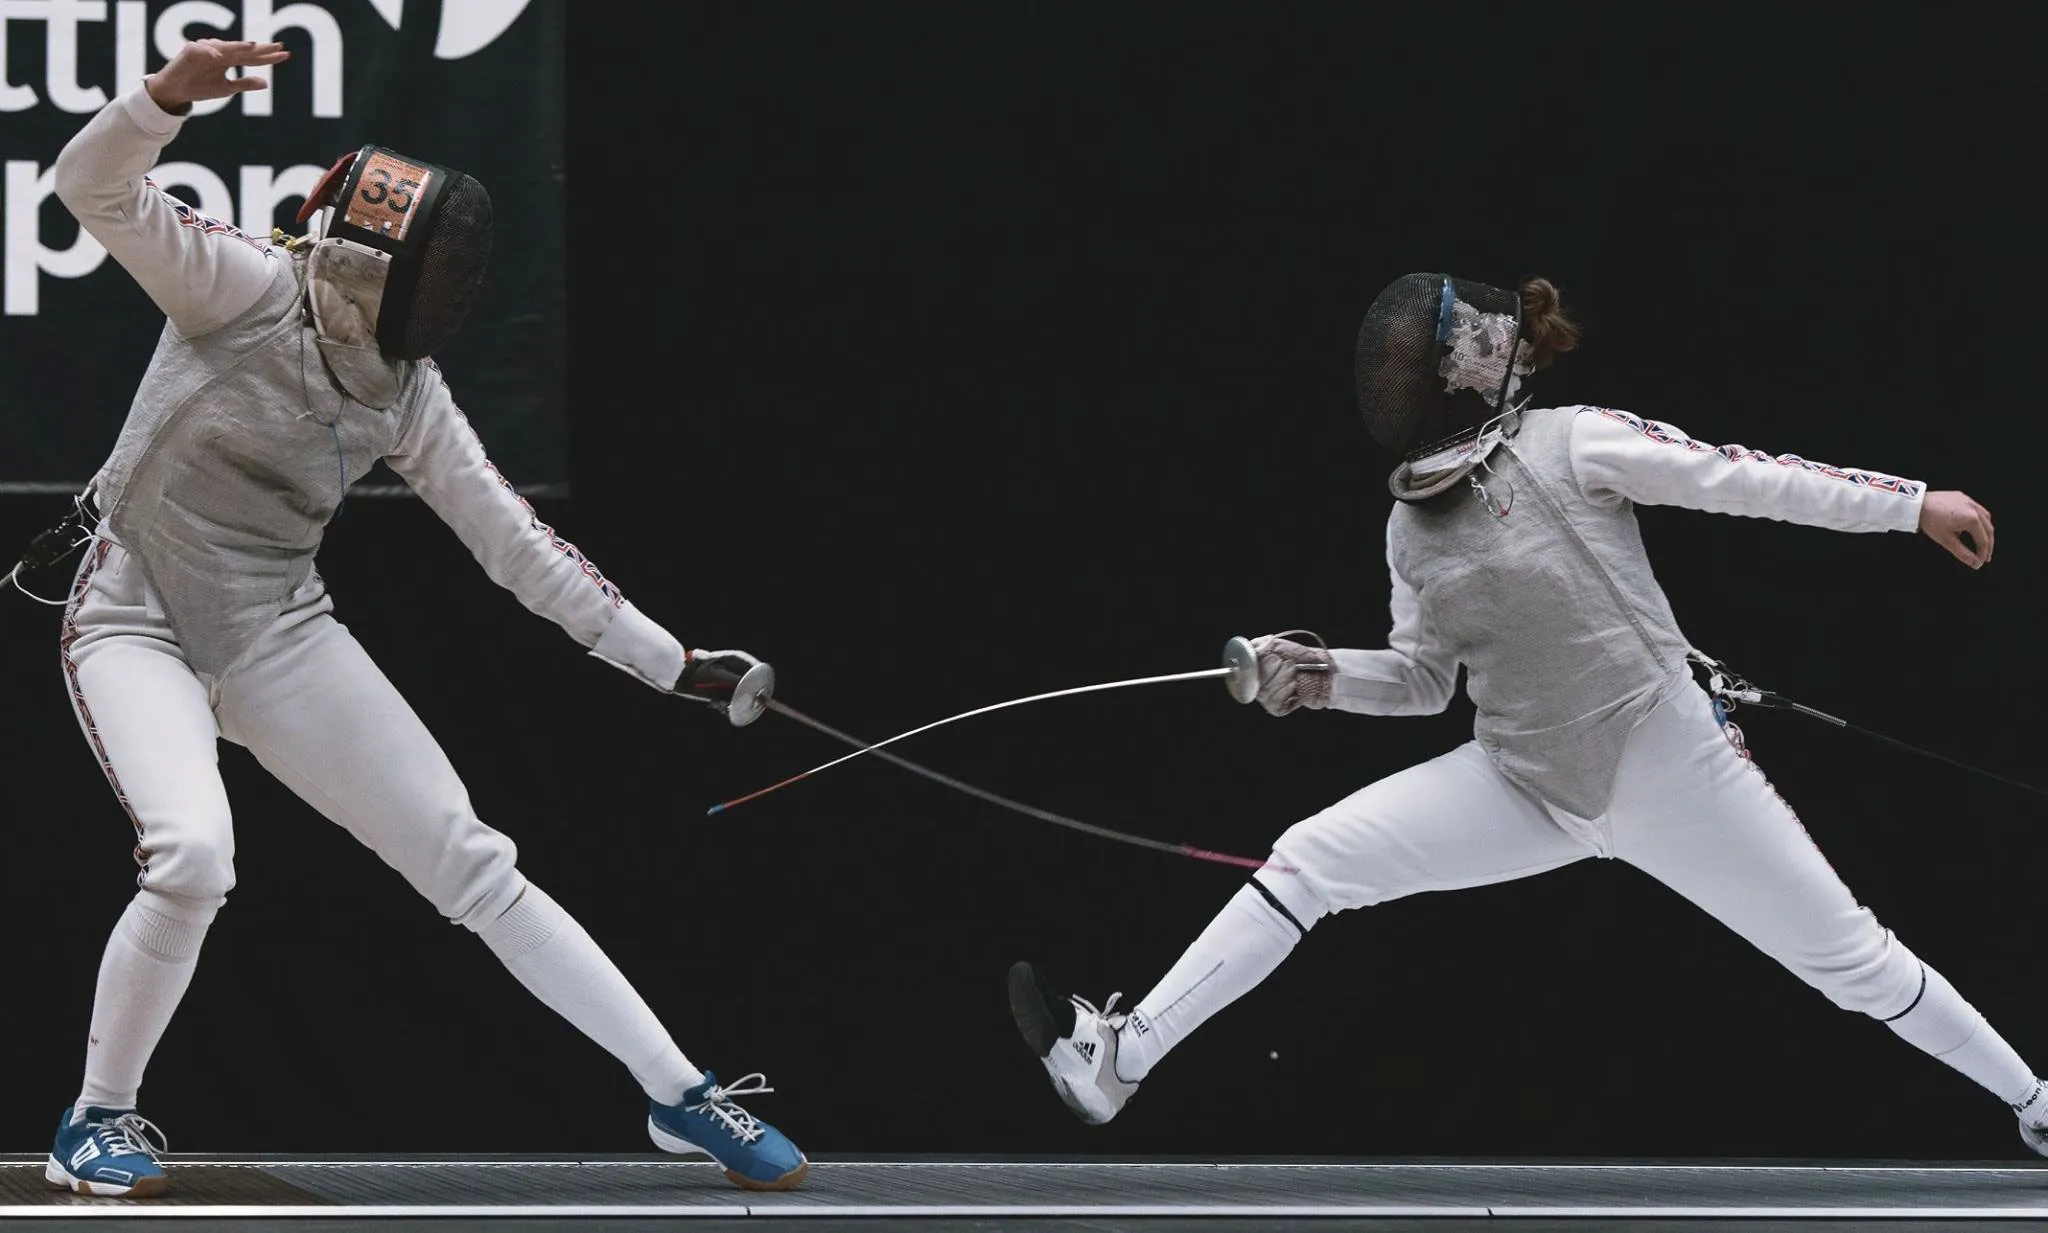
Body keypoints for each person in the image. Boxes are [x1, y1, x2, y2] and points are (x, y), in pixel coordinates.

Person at [1006, 270, 2046, 1156]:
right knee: (1311, 857)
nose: (1394, 385)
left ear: (1460, 372)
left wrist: (1909, 504)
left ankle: (2034, 1104)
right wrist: (1315, 675)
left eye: (1411, 365)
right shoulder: (1410, 533)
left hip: (1664, 761)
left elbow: (1744, 481)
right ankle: (1121, 1058)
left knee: (1853, 965)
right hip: (1519, 783)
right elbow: (1421, 680)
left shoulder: (1576, 443)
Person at [38, 39, 806, 1196]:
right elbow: (89, 189)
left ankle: (678, 1095)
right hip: (134, 619)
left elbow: (519, 551)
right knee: (194, 857)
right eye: (433, 266)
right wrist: (158, 101)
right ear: (367, 260)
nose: (449, 293)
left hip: (273, 634)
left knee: (472, 862)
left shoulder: (409, 394)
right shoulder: (239, 286)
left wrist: (674, 666)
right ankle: (96, 1119)